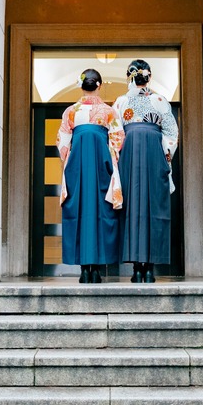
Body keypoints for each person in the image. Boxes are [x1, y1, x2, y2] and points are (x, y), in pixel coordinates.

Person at [56, 68, 125, 283]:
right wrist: (109, 157)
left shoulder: (70, 112)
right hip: (101, 166)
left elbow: (63, 143)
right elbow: (117, 140)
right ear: (99, 85)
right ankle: (96, 268)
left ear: (82, 86)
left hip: (77, 167)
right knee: (101, 214)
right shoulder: (109, 112)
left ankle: (84, 269)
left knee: (79, 212)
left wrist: (70, 162)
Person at [114, 59, 179, 283]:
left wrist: (165, 156)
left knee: (140, 208)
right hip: (142, 155)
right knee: (143, 207)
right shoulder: (149, 101)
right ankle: (143, 267)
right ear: (148, 77)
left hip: (139, 154)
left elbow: (115, 133)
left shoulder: (130, 102)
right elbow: (171, 132)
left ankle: (142, 268)